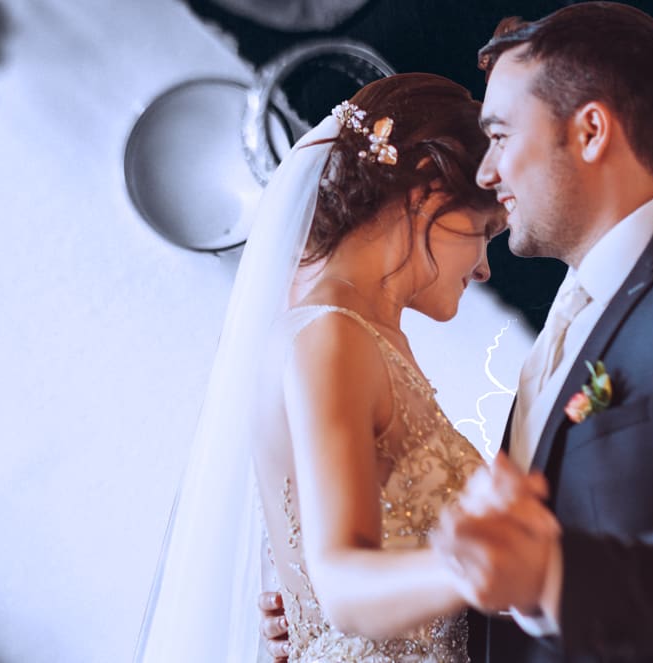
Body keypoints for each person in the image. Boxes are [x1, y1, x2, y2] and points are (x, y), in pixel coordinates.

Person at [263, 3, 653, 662]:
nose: (486, 173)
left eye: (499, 136)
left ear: (589, 131)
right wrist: (348, 627)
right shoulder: (573, 308)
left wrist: (552, 574)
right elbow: (510, 567)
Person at [134, 72, 535, 662]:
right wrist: (498, 567)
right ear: (427, 189)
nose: (483, 268)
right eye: (485, 231)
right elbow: (343, 588)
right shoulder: (330, 337)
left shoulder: (367, 336)